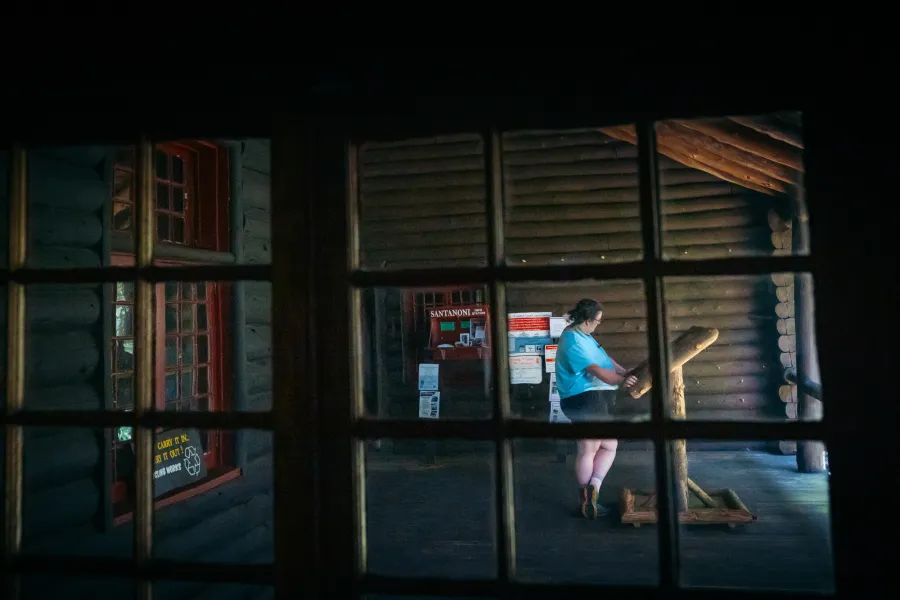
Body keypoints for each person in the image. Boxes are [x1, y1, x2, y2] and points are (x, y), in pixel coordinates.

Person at [556, 298, 637, 519]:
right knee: (589, 449)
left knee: (609, 445)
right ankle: (587, 500)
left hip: (589, 399)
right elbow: (599, 372)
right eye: (598, 321)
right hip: (584, 399)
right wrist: (620, 381)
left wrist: (623, 372)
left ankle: (592, 490)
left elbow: (604, 360)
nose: (599, 324)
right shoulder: (572, 341)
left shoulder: (584, 336)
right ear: (588, 320)